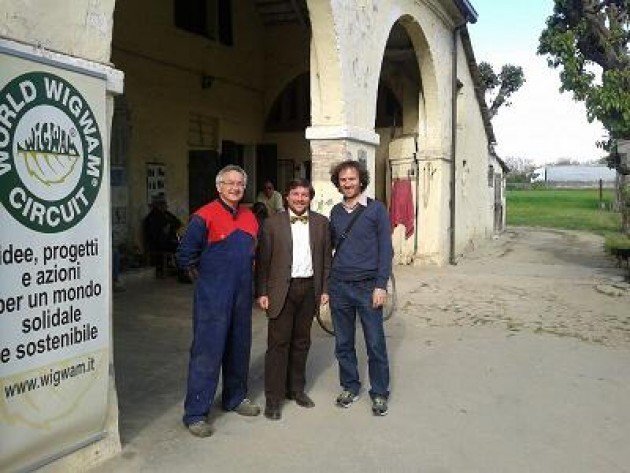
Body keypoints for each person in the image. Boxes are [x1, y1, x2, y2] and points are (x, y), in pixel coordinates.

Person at [176, 164, 261, 438]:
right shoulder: (204, 216)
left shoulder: (250, 217)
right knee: (207, 352)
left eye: (240, 183)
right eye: (229, 183)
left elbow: (255, 255)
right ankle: (196, 413)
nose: (235, 188)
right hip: (213, 297)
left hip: (242, 294)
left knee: (239, 346)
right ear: (219, 186)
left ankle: (235, 397)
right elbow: (185, 255)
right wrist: (206, 283)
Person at [255, 179, 332, 420]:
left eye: (305, 194)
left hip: (309, 288)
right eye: (295, 194)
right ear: (286, 197)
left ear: (310, 197)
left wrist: (325, 289)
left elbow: (326, 261)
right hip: (281, 291)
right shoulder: (271, 223)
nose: (300, 198)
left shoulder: (321, 223)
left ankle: (296, 389)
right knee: (278, 345)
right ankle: (273, 399)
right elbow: (263, 262)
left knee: (301, 342)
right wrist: (262, 292)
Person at [328, 159, 393, 416]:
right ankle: (350, 386)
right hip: (340, 286)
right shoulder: (335, 211)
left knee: (375, 343)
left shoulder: (376, 210)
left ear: (360, 180)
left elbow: (386, 251)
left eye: (352, 179)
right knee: (343, 343)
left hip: (368, 287)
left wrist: (381, 285)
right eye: (343, 180)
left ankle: (379, 393)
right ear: (338, 183)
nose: (347, 183)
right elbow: (330, 246)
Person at [143, 194, 182, 278]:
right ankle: (180, 269)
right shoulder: (151, 218)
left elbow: (178, 223)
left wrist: (169, 225)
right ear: (158, 206)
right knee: (179, 246)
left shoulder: (166, 214)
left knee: (184, 243)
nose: (165, 207)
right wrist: (165, 230)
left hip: (168, 240)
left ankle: (182, 267)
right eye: (163, 205)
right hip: (158, 244)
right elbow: (154, 235)